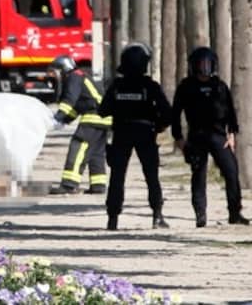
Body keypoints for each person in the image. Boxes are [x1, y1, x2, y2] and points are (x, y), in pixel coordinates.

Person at [172, 47, 249, 227]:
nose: (204, 69)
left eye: (208, 64)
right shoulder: (186, 87)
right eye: (201, 65)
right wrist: (179, 139)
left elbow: (230, 111)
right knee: (198, 175)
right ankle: (200, 214)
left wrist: (231, 134)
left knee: (231, 171)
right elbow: (175, 114)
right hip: (196, 136)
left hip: (218, 136)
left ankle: (235, 212)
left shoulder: (220, 86)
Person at [98, 43, 172, 230]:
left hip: (122, 133)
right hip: (145, 133)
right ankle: (157, 215)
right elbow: (167, 113)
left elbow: (103, 111)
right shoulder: (150, 86)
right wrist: (159, 125)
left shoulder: (117, 86)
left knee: (117, 176)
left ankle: (112, 218)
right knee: (151, 176)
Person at [48, 55, 111, 195]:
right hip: (104, 118)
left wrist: (58, 117)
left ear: (63, 69)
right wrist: (65, 120)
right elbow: (79, 106)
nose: (55, 76)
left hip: (93, 117)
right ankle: (98, 185)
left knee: (78, 147)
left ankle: (69, 185)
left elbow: (70, 100)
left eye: (55, 72)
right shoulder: (82, 75)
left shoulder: (74, 77)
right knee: (95, 153)